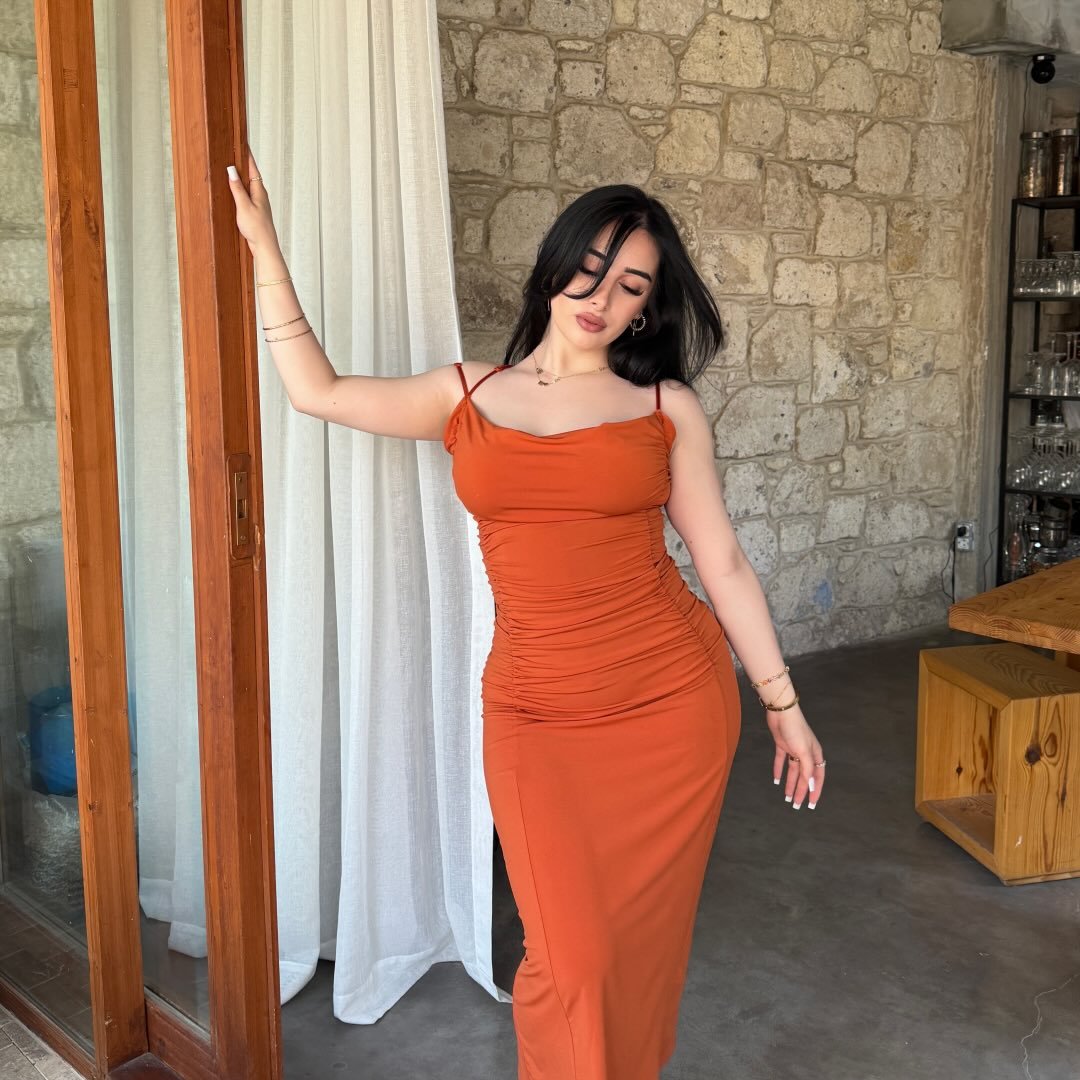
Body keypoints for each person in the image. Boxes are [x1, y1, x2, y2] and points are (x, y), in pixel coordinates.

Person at [228, 151, 826, 1079]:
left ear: (646, 310)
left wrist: (782, 704)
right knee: (569, 954)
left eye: (630, 286)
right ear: (555, 266)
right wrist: (265, 247)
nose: (602, 297)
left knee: (633, 951)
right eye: (590, 268)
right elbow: (320, 393)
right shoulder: (466, 393)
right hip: (535, 713)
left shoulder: (664, 408)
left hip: (671, 701)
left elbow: (724, 565)